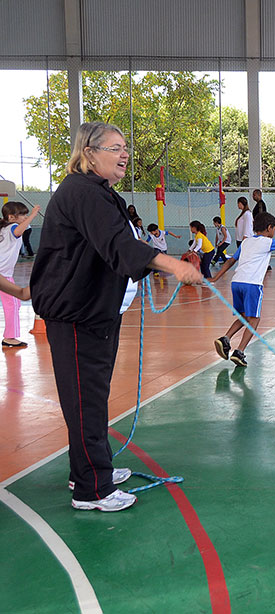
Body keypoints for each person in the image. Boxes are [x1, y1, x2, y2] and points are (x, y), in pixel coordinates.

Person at [30, 121, 203, 512]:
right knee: (85, 400)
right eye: (114, 148)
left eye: (125, 147)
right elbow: (119, 245)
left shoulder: (98, 193)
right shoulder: (82, 192)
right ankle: (92, 489)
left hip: (95, 312)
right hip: (78, 316)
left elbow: (115, 246)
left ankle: (89, 468)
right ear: (88, 153)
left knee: (91, 396)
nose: (124, 154)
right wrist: (173, 266)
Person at [211, 211, 275, 367]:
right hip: (252, 284)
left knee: (244, 315)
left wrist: (216, 278)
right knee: (255, 319)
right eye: (274, 229)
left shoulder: (246, 242)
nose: (274, 232)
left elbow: (230, 262)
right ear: (269, 228)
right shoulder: (267, 242)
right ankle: (239, 351)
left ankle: (225, 338)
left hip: (236, 282)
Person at [0, 201, 40, 348]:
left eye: (25, 214)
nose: (24, 217)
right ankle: (10, 338)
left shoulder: (5, 227)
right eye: (22, 214)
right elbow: (18, 231)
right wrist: (34, 215)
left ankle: (10, 336)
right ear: (11, 217)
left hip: (5, 274)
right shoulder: (12, 227)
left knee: (14, 303)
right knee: (13, 303)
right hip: (2, 274)